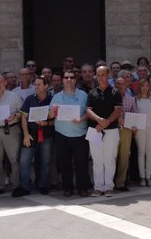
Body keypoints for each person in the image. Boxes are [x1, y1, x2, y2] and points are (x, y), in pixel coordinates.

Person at [51, 71, 90, 197]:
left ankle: (83, 187)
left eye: (71, 77)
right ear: (62, 80)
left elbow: (89, 112)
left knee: (81, 163)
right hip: (61, 134)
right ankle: (67, 187)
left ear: (75, 80)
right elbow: (50, 116)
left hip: (80, 134)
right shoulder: (56, 97)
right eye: (66, 77)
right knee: (64, 163)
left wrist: (81, 119)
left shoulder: (84, 95)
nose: (69, 79)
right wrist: (53, 110)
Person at [86, 66, 122, 197]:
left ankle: (108, 187)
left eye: (103, 74)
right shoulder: (91, 93)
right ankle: (98, 187)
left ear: (108, 75)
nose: (100, 77)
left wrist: (105, 122)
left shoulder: (115, 92)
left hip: (111, 131)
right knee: (97, 159)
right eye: (98, 75)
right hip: (94, 130)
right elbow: (88, 110)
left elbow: (117, 110)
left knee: (110, 159)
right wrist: (99, 120)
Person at [20, 75, 54, 195]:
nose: (36, 86)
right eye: (35, 84)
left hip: (47, 135)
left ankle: (43, 185)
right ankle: (24, 187)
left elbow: (56, 119)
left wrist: (47, 123)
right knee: (24, 161)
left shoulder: (53, 99)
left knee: (45, 162)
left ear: (46, 86)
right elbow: (23, 117)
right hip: (31, 134)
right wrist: (25, 134)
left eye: (39, 84)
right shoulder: (29, 99)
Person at [114, 76, 136, 192]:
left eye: (123, 83)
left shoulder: (131, 99)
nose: (120, 86)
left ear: (126, 85)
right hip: (113, 129)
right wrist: (119, 120)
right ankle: (110, 181)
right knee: (112, 156)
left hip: (126, 130)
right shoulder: (111, 97)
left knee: (124, 157)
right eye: (118, 84)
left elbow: (135, 114)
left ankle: (120, 183)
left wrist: (134, 127)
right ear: (115, 85)